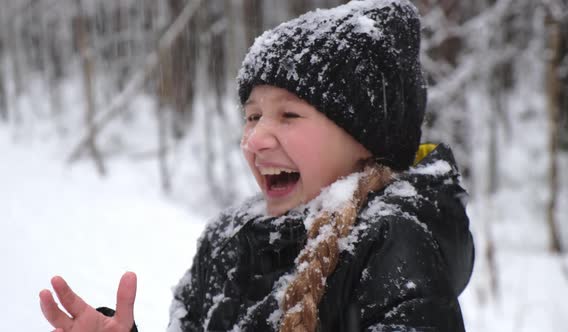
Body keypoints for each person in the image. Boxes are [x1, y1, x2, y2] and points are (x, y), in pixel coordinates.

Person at [39, 0, 474, 331]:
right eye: (252, 116)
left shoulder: (392, 248)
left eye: (289, 115)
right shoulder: (228, 239)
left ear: (365, 140)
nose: (255, 138)